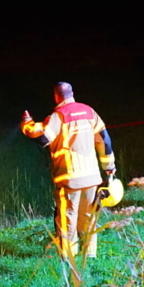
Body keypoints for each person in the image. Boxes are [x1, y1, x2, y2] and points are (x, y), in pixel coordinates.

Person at [21, 82, 116, 260]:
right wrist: (109, 167)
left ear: (56, 96)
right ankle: (90, 255)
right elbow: (104, 140)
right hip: (92, 177)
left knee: (67, 216)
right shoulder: (89, 111)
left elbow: (43, 138)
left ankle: (68, 257)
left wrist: (27, 124)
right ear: (72, 93)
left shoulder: (59, 115)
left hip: (69, 178)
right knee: (88, 215)